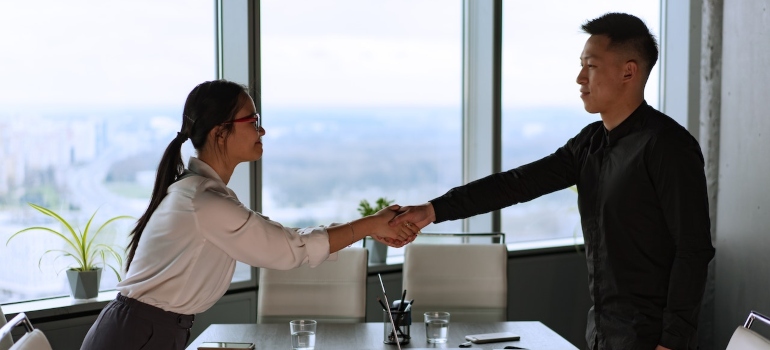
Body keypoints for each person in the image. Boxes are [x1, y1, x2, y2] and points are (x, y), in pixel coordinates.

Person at [390, 12, 715, 350]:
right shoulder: (589, 143)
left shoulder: (668, 146)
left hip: (650, 339)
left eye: (590, 66)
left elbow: (693, 249)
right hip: (602, 332)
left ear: (628, 71)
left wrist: (672, 343)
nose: (579, 78)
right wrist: (432, 210)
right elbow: (516, 183)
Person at [81, 79, 418, 350]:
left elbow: (280, 238)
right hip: (138, 337)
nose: (262, 131)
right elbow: (288, 250)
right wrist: (369, 225)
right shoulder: (204, 201)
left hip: (146, 331)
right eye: (253, 121)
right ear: (219, 132)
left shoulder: (202, 193)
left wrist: (368, 226)